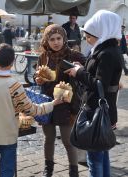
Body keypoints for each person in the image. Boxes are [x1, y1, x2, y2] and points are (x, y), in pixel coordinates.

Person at [0, 43, 63, 177]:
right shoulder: (14, 85)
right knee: (7, 170)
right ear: (12, 63)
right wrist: (52, 104)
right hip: (7, 136)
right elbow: (31, 110)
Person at [64, 10, 123, 177]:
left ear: (102, 32)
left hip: (98, 111)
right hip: (103, 109)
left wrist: (79, 72)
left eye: (89, 36)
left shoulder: (106, 53)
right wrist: (81, 68)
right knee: (102, 153)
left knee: (94, 157)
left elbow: (99, 84)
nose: (87, 39)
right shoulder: (106, 49)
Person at [34, 24, 85, 177]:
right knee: (48, 138)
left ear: (64, 39)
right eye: (52, 39)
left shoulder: (74, 55)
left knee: (67, 140)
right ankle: (48, 168)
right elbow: (36, 75)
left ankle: (73, 171)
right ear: (46, 41)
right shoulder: (43, 56)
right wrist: (38, 79)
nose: (56, 42)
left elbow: (89, 67)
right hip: (48, 102)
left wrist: (80, 68)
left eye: (59, 38)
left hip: (67, 103)